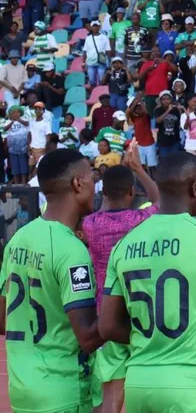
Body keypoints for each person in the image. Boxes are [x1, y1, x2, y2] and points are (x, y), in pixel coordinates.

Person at [98, 152, 196, 411]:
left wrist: (148, 339)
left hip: (139, 382)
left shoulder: (124, 244)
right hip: (191, 382)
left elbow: (107, 327)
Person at [0, 149, 103, 413]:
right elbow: (88, 337)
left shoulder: (18, 239)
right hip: (64, 392)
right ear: (78, 183)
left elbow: (3, 320)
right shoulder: (71, 249)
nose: (95, 187)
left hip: (23, 390)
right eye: (92, 179)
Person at [82, 143, 160, 413]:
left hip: (107, 314)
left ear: (103, 192)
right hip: (141, 313)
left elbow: (104, 207)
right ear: (132, 191)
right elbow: (160, 200)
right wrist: (138, 169)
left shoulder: (90, 224)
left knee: (111, 396)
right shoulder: (141, 219)